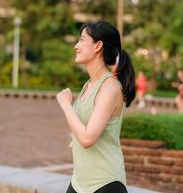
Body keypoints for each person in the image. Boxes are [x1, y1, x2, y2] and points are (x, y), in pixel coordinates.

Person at [56, 21, 135, 193]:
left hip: (105, 184)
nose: (76, 46)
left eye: (82, 40)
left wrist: (65, 105)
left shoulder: (110, 87)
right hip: (79, 181)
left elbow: (87, 139)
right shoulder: (88, 85)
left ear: (98, 45)